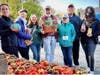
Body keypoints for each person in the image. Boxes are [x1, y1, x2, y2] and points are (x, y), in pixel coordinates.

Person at [80, 6, 100, 74]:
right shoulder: (83, 20)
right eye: (87, 11)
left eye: (90, 11)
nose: (88, 12)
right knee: (86, 54)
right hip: (83, 40)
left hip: (92, 40)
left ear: (92, 12)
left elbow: (99, 31)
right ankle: (88, 66)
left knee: (91, 55)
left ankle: (92, 70)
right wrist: (82, 30)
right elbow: (81, 30)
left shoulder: (96, 21)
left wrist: (93, 34)